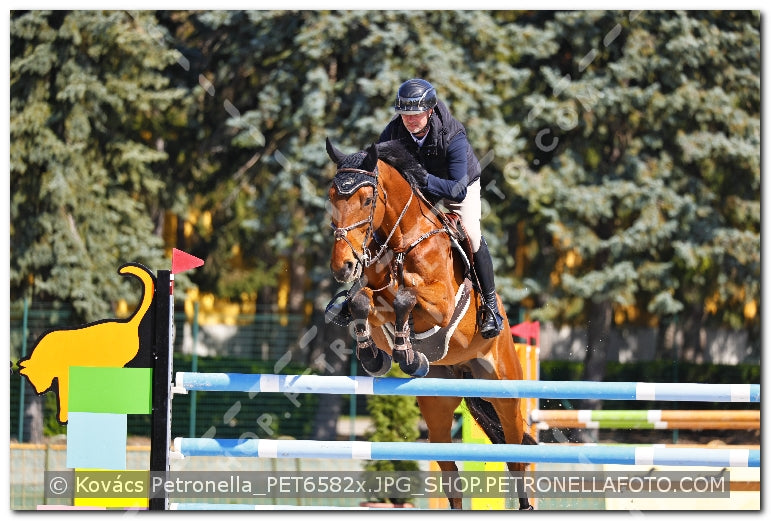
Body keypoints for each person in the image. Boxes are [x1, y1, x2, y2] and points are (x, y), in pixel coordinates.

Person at [378, 78, 503, 338]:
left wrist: (421, 178)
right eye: (405, 114)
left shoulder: (453, 134)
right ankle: (358, 292)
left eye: (416, 114)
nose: (410, 120)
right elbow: (376, 163)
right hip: (420, 186)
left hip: (458, 186)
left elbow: (457, 189)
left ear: (430, 110)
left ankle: (490, 305)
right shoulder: (393, 131)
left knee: (471, 233)